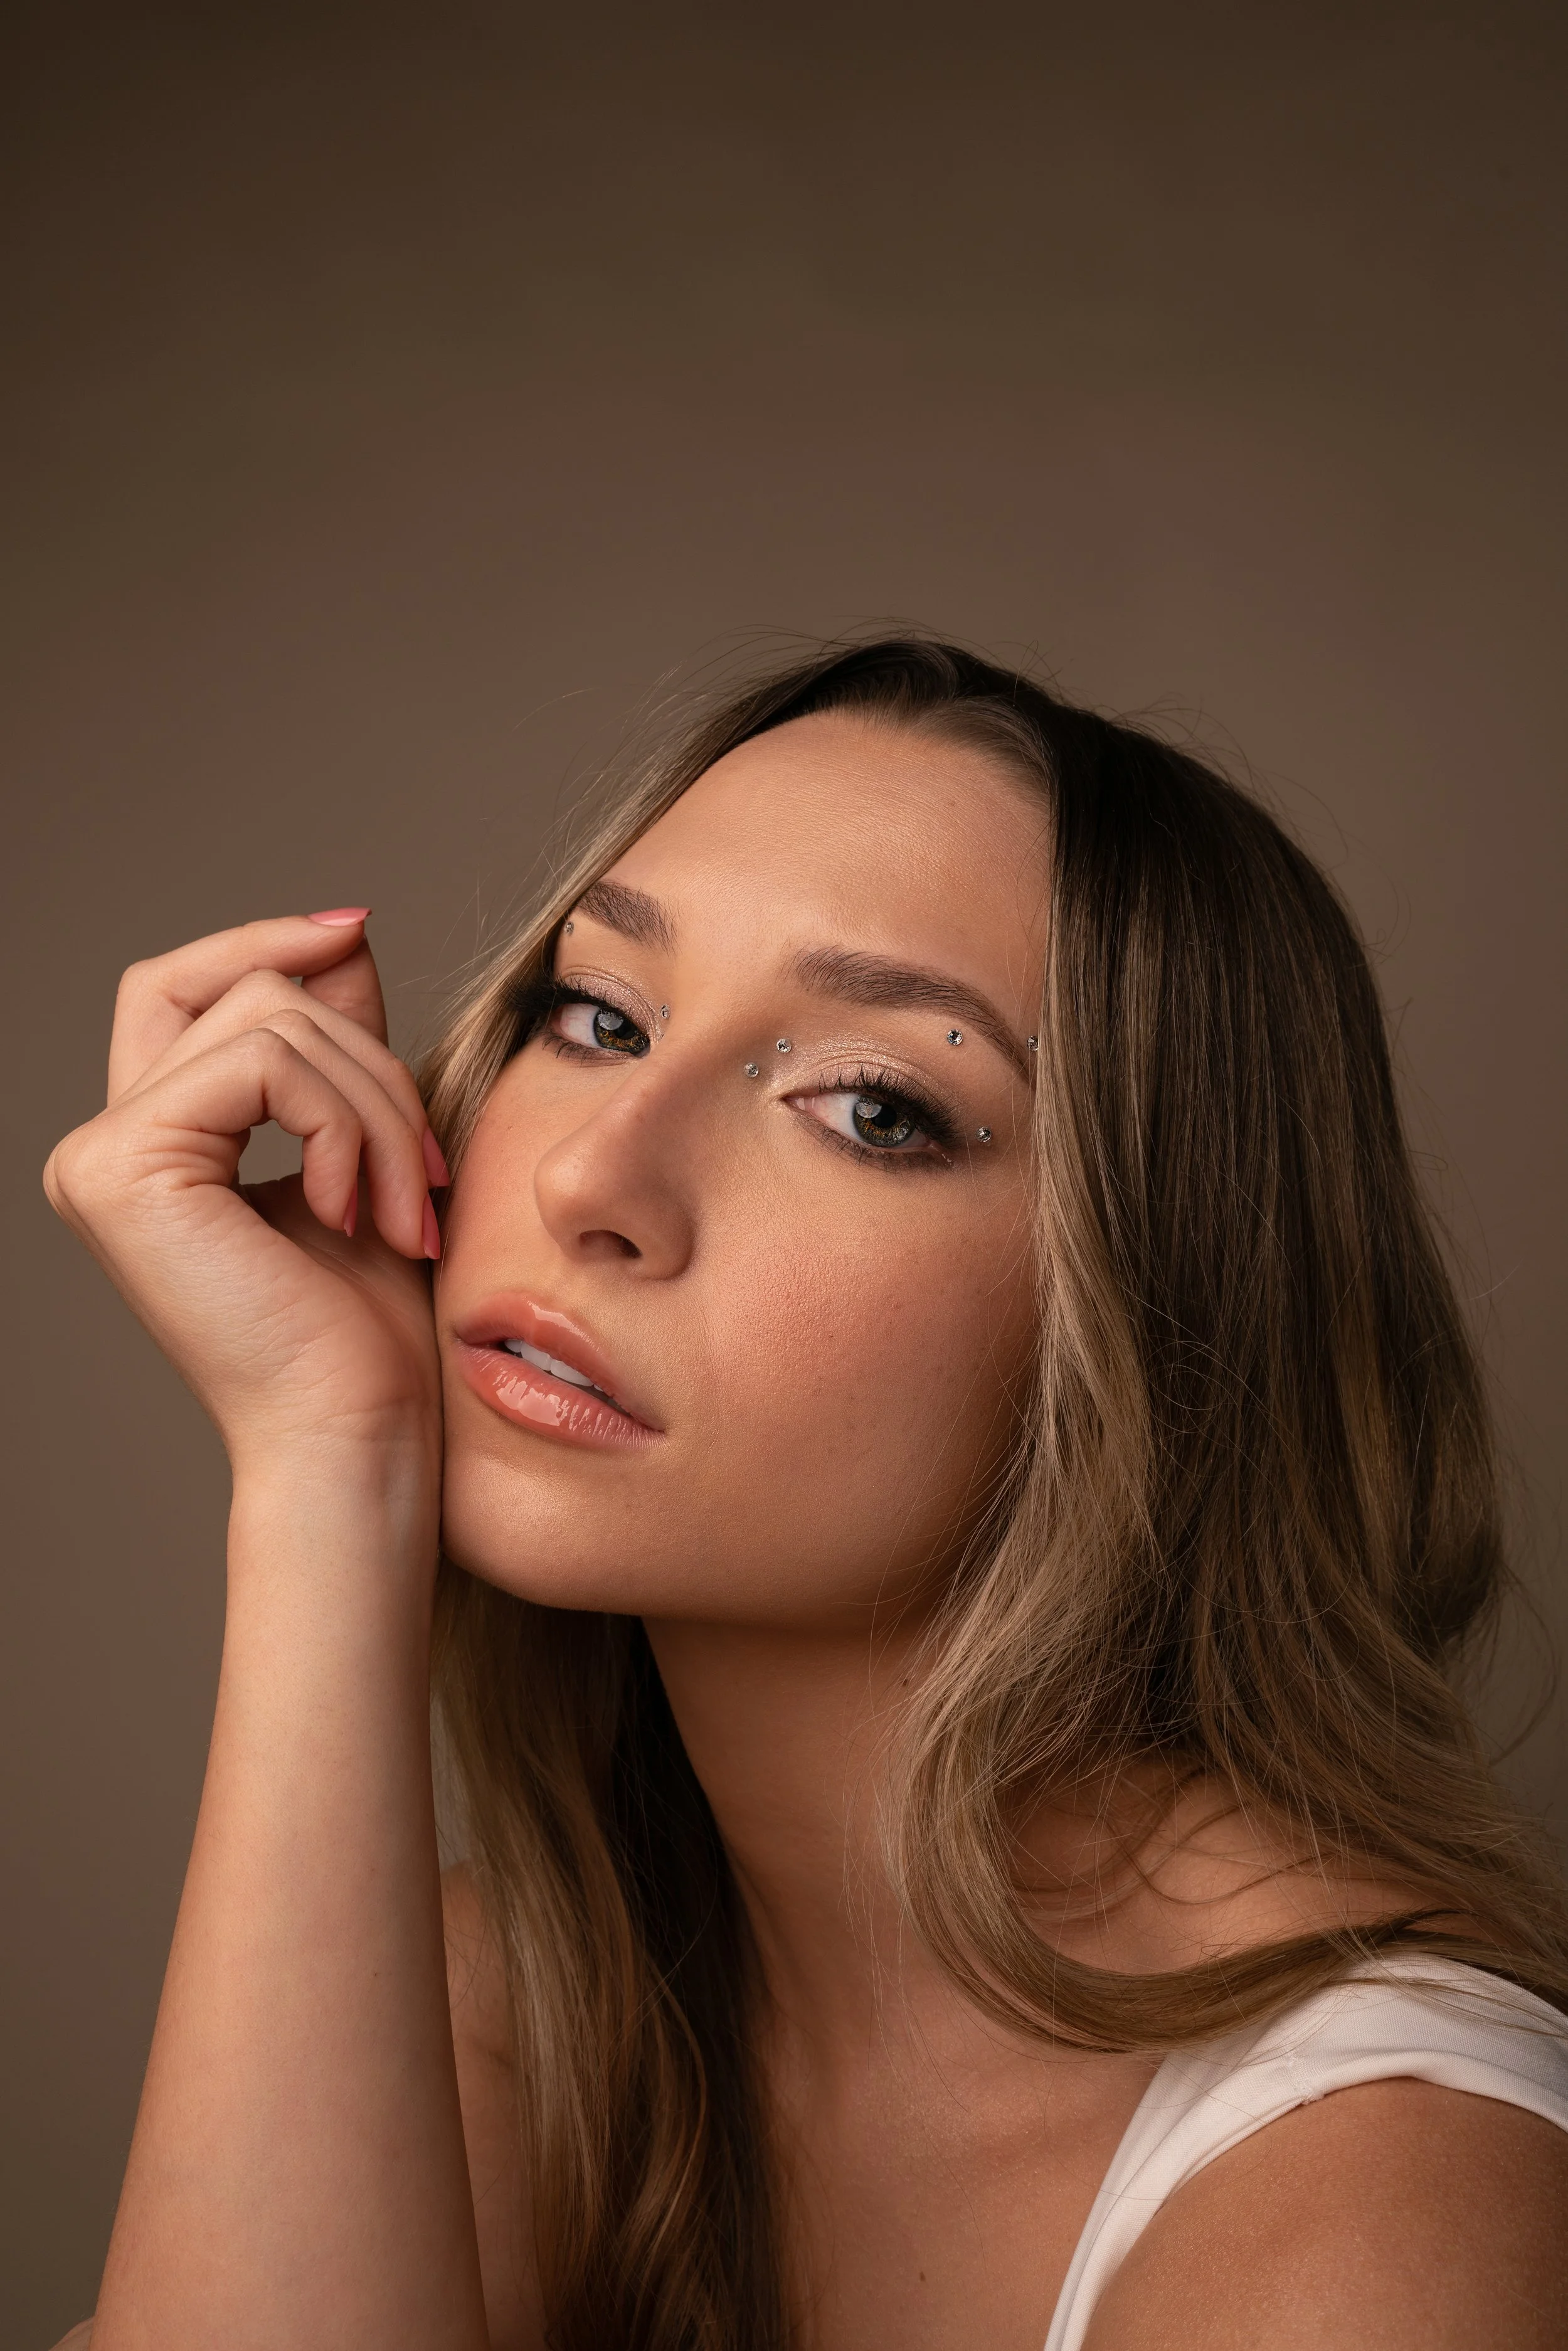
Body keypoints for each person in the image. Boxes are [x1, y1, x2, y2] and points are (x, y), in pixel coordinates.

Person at [45, 639, 1568, 2351]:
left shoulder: (1380, 2190)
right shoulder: (520, 2008)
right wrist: (331, 1474)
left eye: (872, 1106)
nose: (591, 1174)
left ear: (1152, 1311)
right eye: (601, 1015)